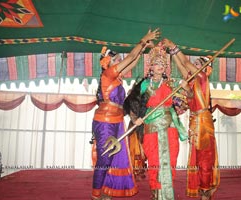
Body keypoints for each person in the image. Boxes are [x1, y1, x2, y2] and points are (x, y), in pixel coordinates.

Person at [91, 28, 160, 200]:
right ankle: (95, 195)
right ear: (108, 62)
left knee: (114, 158)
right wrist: (143, 39)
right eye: (116, 59)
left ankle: (107, 191)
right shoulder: (107, 75)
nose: (120, 61)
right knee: (105, 159)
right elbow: (130, 58)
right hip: (105, 122)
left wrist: (143, 49)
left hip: (116, 121)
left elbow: (133, 62)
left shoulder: (117, 78)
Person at [162, 38, 220, 200]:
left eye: (198, 63)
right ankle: (203, 188)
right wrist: (172, 53)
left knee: (205, 158)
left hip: (203, 122)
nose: (194, 65)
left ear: (203, 68)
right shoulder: (193, 80)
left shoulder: (201, 78)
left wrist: (173, 46)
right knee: (198, 157)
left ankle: (205, 190)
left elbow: (185, 63)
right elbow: (182, 66)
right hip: (195, 122)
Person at [134, 42, 187, 200]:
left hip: (169, 126)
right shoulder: (143, 85)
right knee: (154, 160)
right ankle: (156, 192)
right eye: (157, 63)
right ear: (150, 66)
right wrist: (136, 118)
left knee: (170, 160)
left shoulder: (172, 85)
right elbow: (134, 104)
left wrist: (186, 87)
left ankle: (167, 193)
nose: (160, 66)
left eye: (163, 64)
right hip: (151, 125)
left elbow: (186, 101)